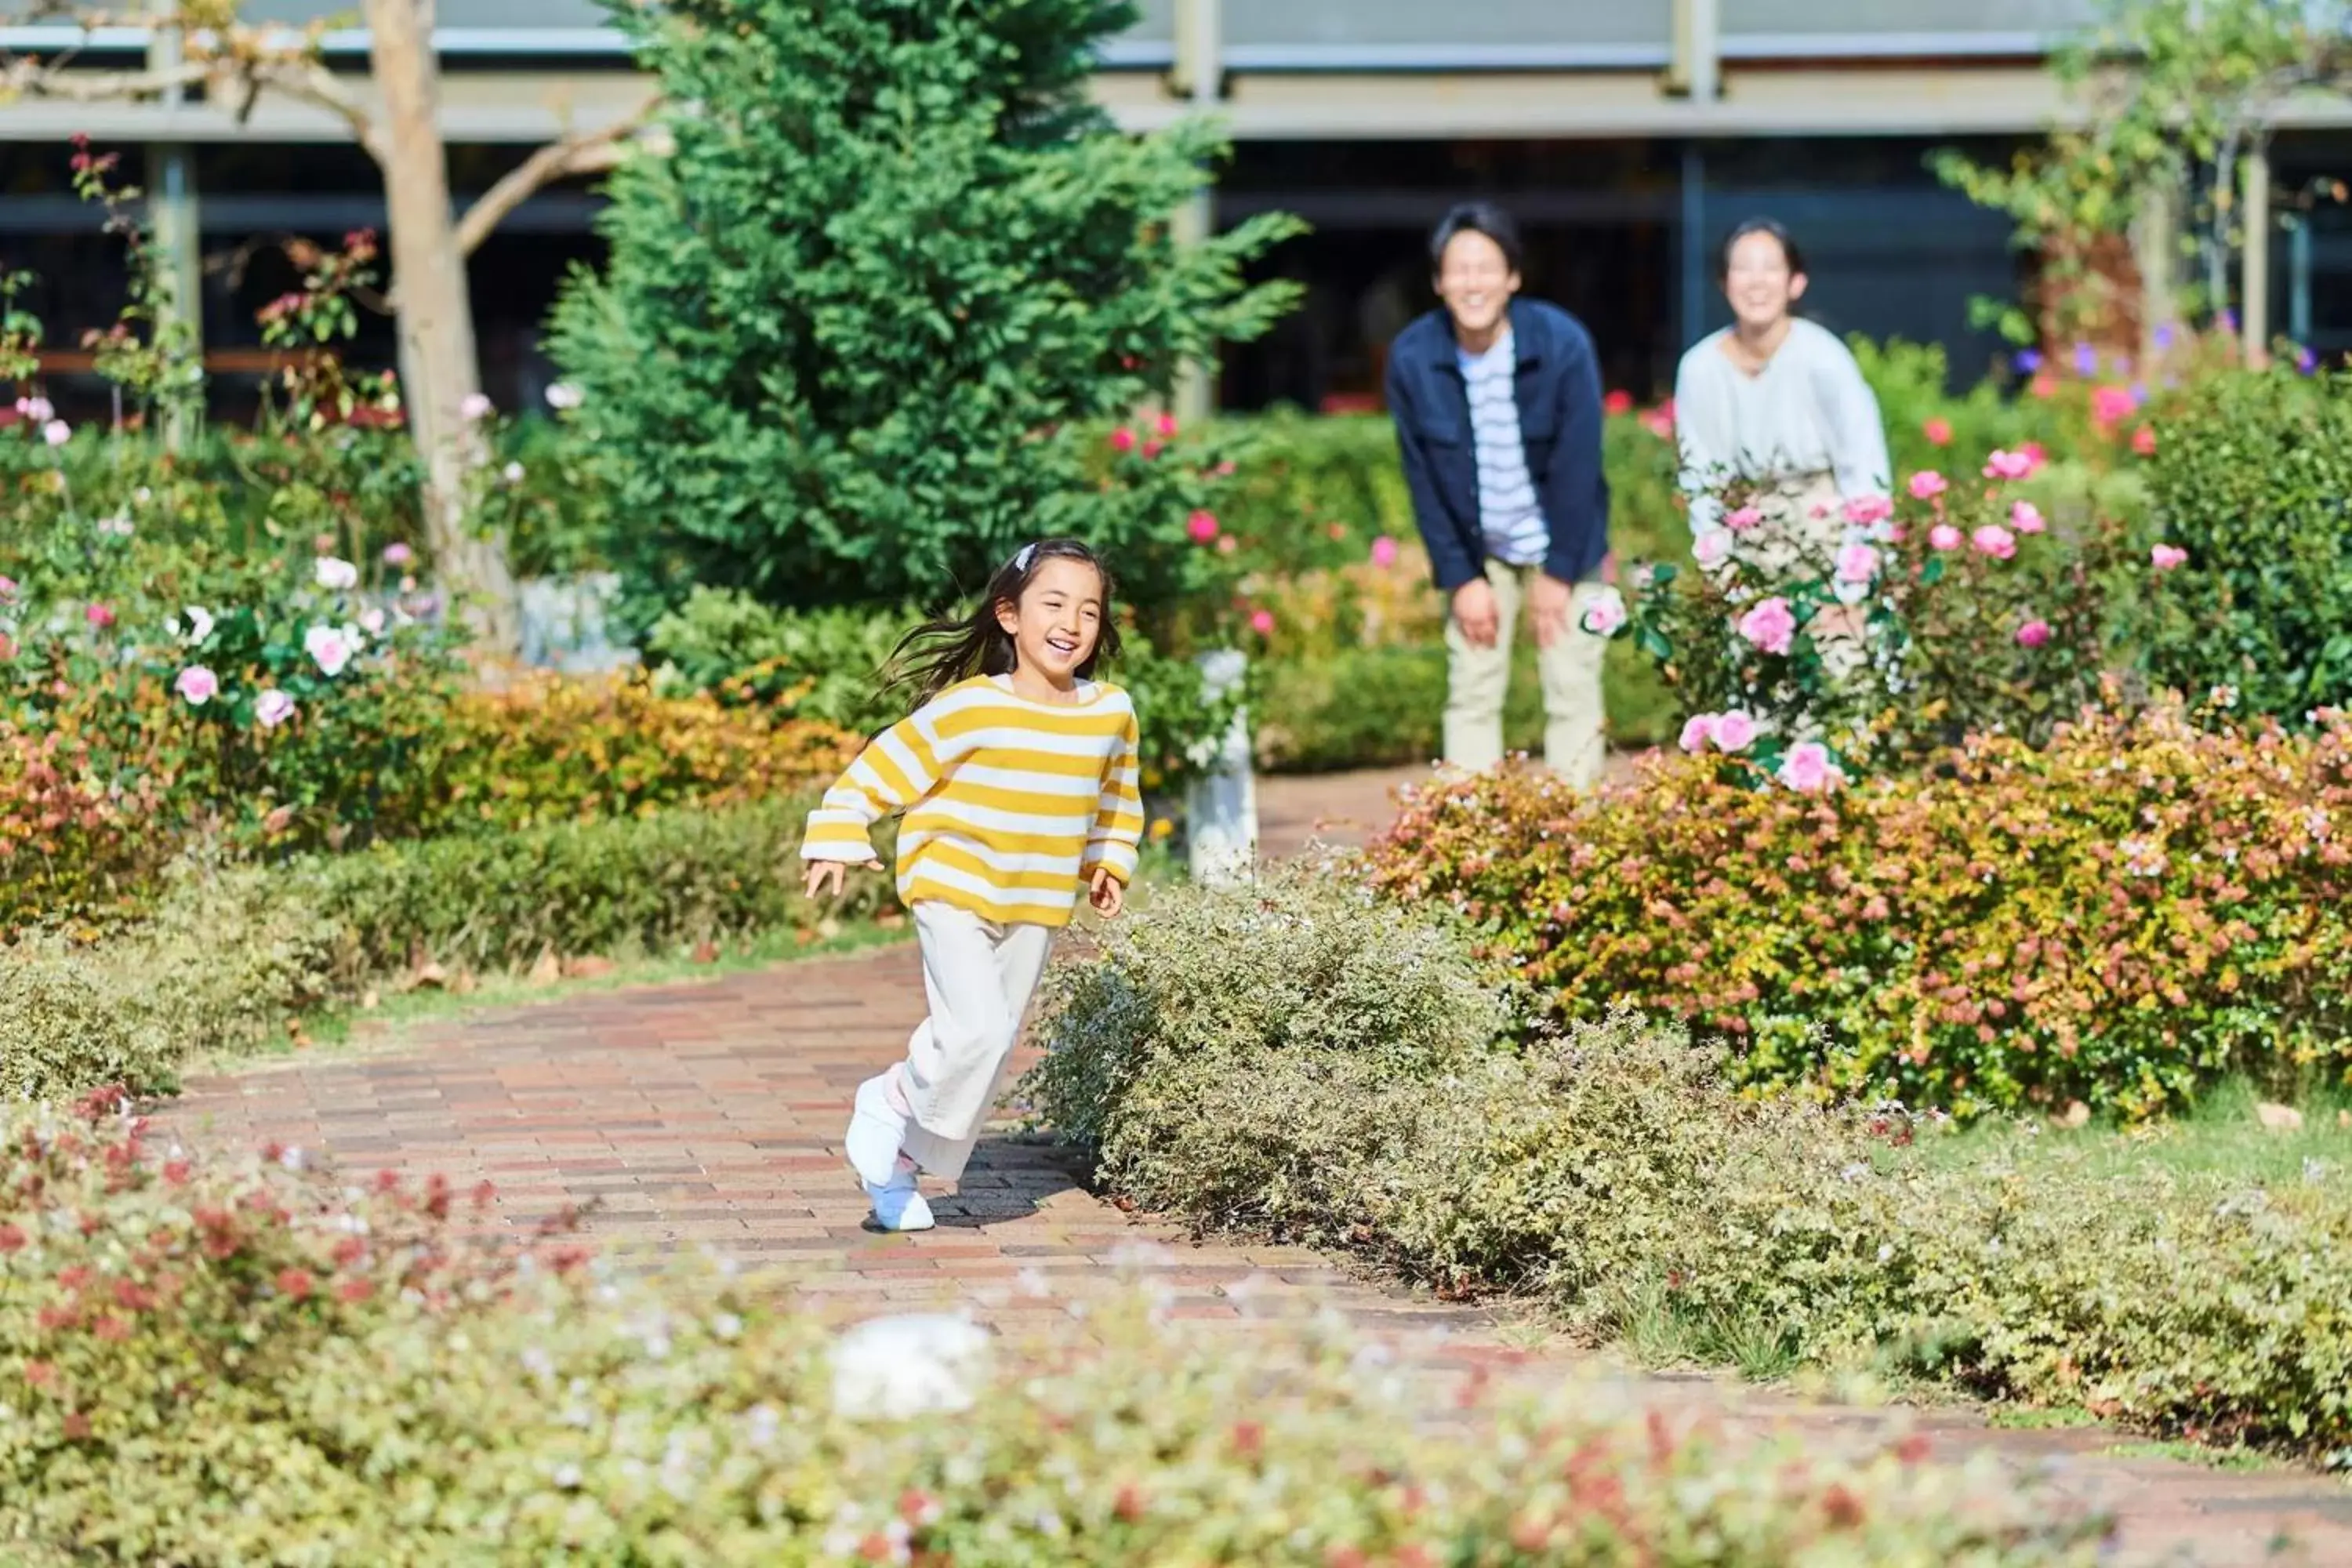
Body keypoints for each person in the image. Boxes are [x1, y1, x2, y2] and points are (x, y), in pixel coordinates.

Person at [799, 539, 1143, 1232]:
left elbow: (1116, 794)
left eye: (1089, 610)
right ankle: (892, 1095)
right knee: (976, 1028)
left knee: (989, 1050)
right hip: (951, 882)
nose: (1072, 623)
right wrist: (840, 828)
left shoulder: (1110, 712)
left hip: (1037, 899)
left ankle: (897, 1171)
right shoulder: (972, 707)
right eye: (1054, 604)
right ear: (1010, 616)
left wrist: (1108, 857)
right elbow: (886, 765)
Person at [1385, 201, 1613, 785]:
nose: (1472, 282)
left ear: (1513, 275)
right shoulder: (1414, 357)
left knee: (1572, 687)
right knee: (1473, 688)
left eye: (1486, 267)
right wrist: (1462, 579)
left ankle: (1577, 840)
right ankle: (1472, 840)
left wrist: (1560, 574)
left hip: (1567, 545)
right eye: (1458, 269)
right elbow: (1424, 481)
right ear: (1438, 281)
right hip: (1476, 548)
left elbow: (1579, 465)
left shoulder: (1563, 344)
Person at [1673, 218, 1891, 568]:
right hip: (1742, 547)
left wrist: (1855, 582)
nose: (1756, 282)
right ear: (1723, 282)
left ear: (1796, 281)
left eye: (1771, 268)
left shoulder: (1825, 358)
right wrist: (1723, 576)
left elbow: (1864, 472)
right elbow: (1700, 479)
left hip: (1826, 543)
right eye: (1742, 269)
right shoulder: (1699, 368)